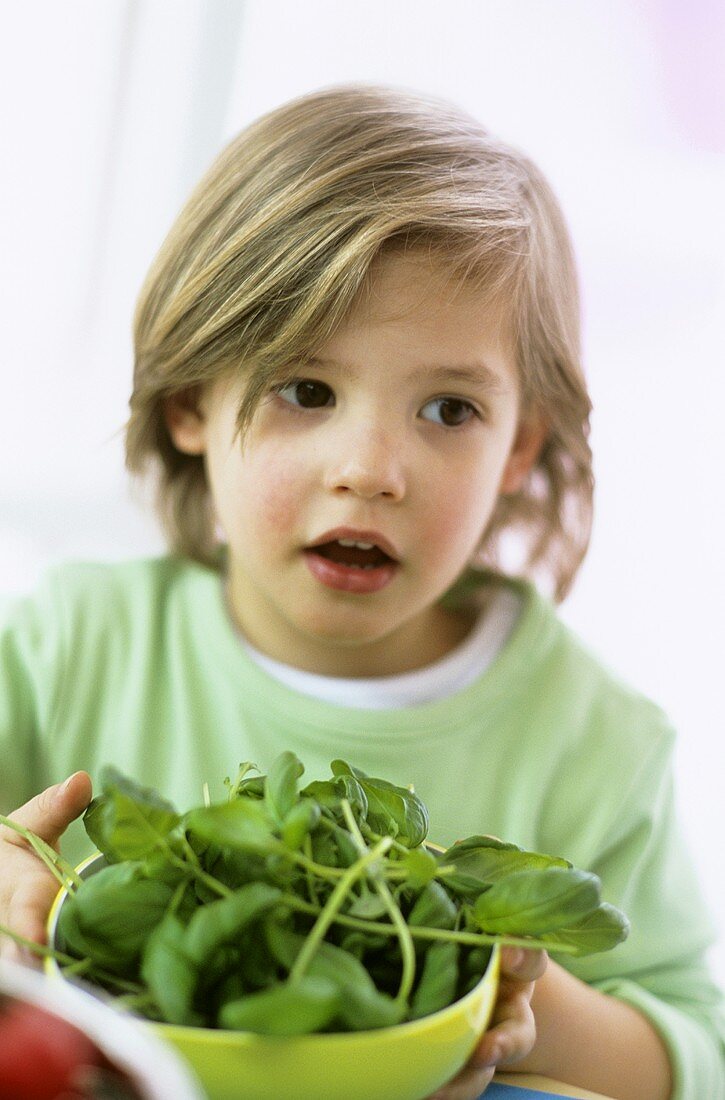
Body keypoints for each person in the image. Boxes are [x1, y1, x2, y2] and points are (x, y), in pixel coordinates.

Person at [0, 85, 722, 1100]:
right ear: (187, 402)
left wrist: (530, 1008)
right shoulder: (68, 645)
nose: (372, 467)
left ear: (518, 446)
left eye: (447, 407)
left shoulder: (593, 741)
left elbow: (694, 1055)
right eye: (306, 390)